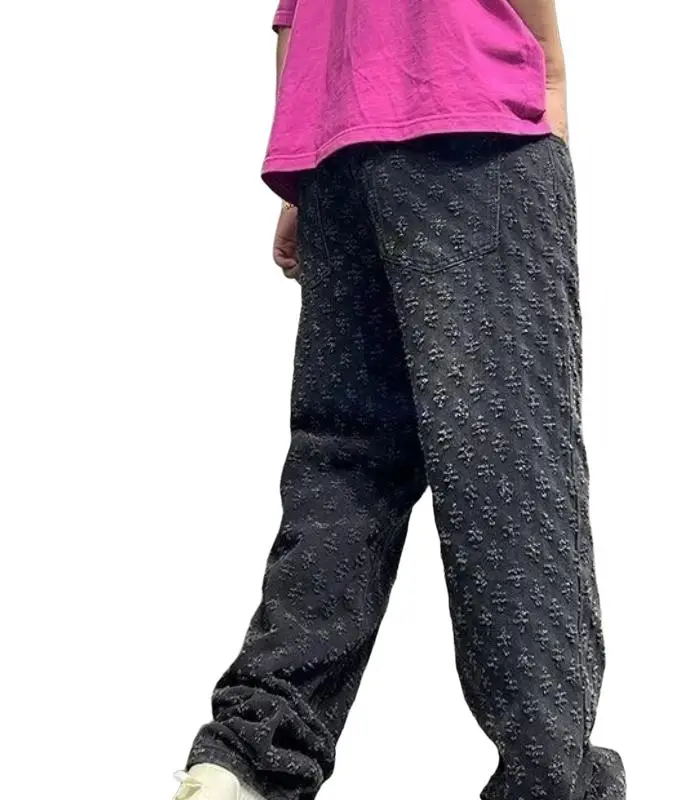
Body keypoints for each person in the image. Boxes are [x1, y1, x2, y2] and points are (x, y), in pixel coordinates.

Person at [172, 1, 626, 798]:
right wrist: (550, 74)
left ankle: (250, 753)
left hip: (335, 146)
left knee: (345, 463)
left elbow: (291, 22)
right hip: (473, 116)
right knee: (507, 462)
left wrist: (303, 181)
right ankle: (548, 777)